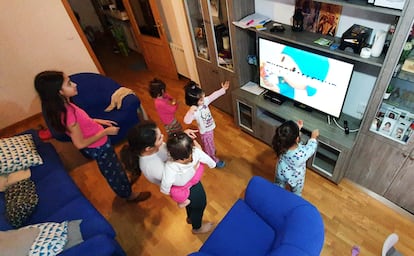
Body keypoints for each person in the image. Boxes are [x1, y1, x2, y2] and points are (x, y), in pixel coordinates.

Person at [34, 70, 150, 202]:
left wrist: (97, 121)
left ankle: (124, 182)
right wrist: (105, 132)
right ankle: (128, 195)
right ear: (59, 92)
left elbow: (82, 120)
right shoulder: (68, 115)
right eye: (69, 83)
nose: (75, 84)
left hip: (101, 143)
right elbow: (80, 143)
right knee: (113, 172)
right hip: (98, 147)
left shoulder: (67, 104)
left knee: (114, 166)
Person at [120, 121, 214, 234]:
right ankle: (197, 228)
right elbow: (181, 181)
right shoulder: (151, 166)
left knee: (192, 205)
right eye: (159, 138)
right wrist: (194, 161)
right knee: (200, 204)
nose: (163, 137)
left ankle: (191, 218)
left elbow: (170, 150)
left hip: (185, 179)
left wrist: (182, 139)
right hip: (184, 186)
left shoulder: (155, 149)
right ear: (148, 148)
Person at [161, 132, 216, 208]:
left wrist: (166, 191)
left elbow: (167, 181)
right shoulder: (196, 151)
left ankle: (183, 201)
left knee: (174, 192)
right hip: (197, 174)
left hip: (186, 182)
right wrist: (212, 164)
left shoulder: (170, 165)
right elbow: (206, 158)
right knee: (201, 163)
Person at [183, 80, 230, 168]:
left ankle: (210, 150)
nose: (204, 99)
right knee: (209, 147)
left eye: (203, 97)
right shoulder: (194, 111)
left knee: (210, 145)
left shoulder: (204, 102)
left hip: (210, 129)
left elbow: (213, 96)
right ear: (194, 102)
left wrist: (223, 89)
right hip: (205, 133)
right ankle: (213, 159)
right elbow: (186, 121)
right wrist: (190, 112)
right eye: (201, 99)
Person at [272, 120, 319, 196]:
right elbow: (311, 147)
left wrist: (297, 128)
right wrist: (313, 137)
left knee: (278, 188)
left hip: (281, 173)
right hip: (296, 178)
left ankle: (277, 197)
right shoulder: (302, 153)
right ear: (297, 139)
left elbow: (287, 136)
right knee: (296, 194)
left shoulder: (280, 145)